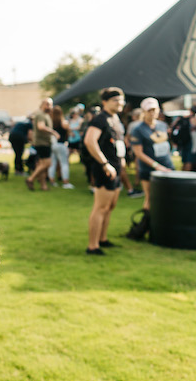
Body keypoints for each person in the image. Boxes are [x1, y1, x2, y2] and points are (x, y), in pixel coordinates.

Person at [83, 87, 127, 255]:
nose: (120, 103)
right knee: (100, 207)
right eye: (116, 100)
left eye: (121, 100)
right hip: (104, 169)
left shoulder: (115, 118)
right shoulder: (100, 119)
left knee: (110, 206)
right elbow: (90, 141)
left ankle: (103, 239)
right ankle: (92, 246)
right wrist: (104, 163)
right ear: (105, 102)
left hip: (116, 168)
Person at [128, 97, 174, 213]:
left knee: (169, 197)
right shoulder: (138, 129)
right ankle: (148, 224)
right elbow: (138, 152)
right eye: (149, 110)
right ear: (144, 111)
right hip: (149, 168)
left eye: (154, 110)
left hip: (167, 165)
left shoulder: (162, 125)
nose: (152, 113)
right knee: (150, 198)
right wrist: (156, 165)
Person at [27, 98, 57, 191]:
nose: (49, 106)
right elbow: (41, 127)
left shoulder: (44, 114)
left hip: (44, 142)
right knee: (47, 163)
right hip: (42, 143)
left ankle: (43, 186)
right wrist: (53, 132)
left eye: (50, 104)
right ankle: (31, 178)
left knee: (42, 164)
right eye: (47, 104)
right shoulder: (40, 114)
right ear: (43, 104)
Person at [48, 105, 73, 189]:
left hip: (53, 144)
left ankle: (52, 180)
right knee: (64, 164)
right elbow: (70, 133)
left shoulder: (50, 123)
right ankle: (65, 182)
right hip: (61, 144)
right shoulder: (64, 123)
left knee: (53, 163)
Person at [170, 105, 196, 171]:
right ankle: (187, 176)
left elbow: (173, 126)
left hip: (183, 141)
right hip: (191, 142)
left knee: (184, 161)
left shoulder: (182, 118)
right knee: (189, 161)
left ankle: (183, 175)